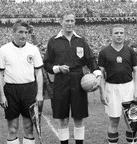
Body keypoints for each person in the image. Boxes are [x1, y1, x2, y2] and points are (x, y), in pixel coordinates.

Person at [43, 11, 102, 144]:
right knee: (63, 119)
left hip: (79, 81)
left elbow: (91, 60)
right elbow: (46, 64)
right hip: (60, 81)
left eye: (72, 21)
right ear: (61, 22)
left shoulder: (81, 40)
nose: (70, 23)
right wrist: (58, 68)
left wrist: (97, 75)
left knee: (79, 118)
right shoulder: (53, 41)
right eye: (67, 21)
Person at [0, 19, 43, 144]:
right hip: (11, 90)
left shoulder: (33, 49)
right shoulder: (4, 49)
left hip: (29, 90)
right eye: (20, 32)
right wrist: (2, 95)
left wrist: (39, 94)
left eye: (26, 32)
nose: (24, 35)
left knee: (28, 127)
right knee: (12, 128)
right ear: (13, 33)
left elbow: (38, 72)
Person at [98, 24, 137, 144]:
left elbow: (136, 70)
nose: (119, 35)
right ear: (111, 35)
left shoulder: (130, 50)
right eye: (116, 33)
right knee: (114, 121)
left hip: (128, 87)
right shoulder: (104, 52)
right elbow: (100, 73)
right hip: (111, 88)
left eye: (121, 33)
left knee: (131, 121)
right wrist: (102, 92)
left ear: (124, 34)